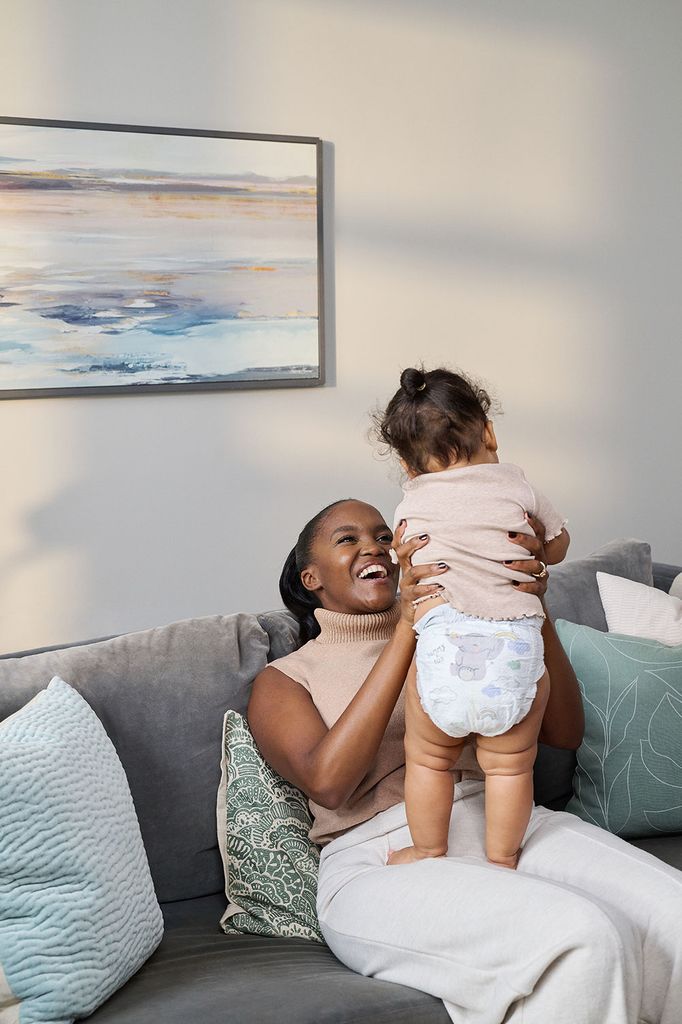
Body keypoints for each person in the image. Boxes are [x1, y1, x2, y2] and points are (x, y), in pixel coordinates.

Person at [248, 498, 682, 1024]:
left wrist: (529, 610)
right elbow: (330, 784)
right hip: (376, 857)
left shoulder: (468, 633)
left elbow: (565, 733)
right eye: (348, 539)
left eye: (386, 537)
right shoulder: (285, 679)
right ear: (310, 576)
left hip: (503, 817)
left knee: (673, 917)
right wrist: (408, 628)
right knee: (582, 939)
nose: (375, 548)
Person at [376, 366, 569, 869]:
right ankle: (503, 859)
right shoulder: (516, 485)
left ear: (406, 464)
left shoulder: (410, 504)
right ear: (488, 431)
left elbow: (411, 559)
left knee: (428, 759)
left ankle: (427, 847)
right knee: (509, 769)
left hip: (445, 650)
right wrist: (546, 548)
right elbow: (558, 543)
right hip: (516, 651)